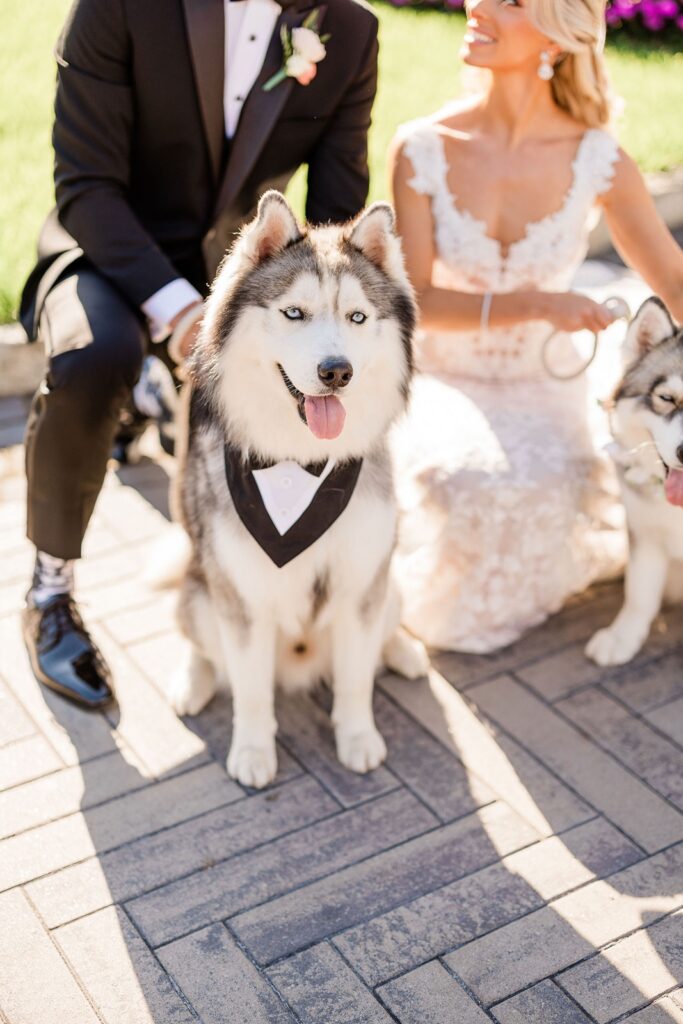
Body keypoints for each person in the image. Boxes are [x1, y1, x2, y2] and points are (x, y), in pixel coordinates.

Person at [20, 0, 379, 708]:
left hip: (244, 267)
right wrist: (186, 314)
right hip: (106, 246)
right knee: (94, 359)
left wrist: (312, 320)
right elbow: (86, 186)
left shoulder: (350, 27)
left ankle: (276, 577)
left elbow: (336, 210)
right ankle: (49, 589)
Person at [388, 0, 683, 653]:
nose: (479, 8)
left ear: (557, 34)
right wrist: (540, 305)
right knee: (464, 481)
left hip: (543, 380)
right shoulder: (421, 147)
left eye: (513, 1)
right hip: (443, 374)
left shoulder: (598, 158)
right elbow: (412, 302)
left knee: (541, 488)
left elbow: (674, 281)